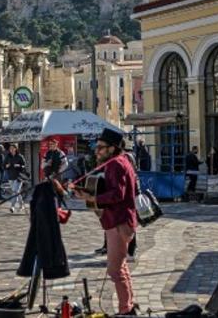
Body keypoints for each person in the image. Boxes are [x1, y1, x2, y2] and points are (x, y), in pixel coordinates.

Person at [75, 129, 138, 316]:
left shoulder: (116, 164)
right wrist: (90, 196)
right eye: (97, 147)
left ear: (113, 148)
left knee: (114, 270)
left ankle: (126, 311)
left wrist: (93, 198)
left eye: (101, 148)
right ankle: (129, 306)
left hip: (119, 221)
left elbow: (117, 194)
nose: (97, 151)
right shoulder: (117, 162)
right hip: (119, 221)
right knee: (121, 267)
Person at [4, 144, 27, 213]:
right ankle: (21, 205)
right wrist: (6, 166)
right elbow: (3, 165)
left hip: (19, 177)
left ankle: (12, 206)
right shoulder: (7, 156)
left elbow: (24, 166)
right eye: (10, 148)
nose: (11, 150)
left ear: (16, 149)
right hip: (11, 176)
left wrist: (19, 165)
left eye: (12, 148)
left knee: (15, 191)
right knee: (16, 192)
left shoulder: (20, 156)